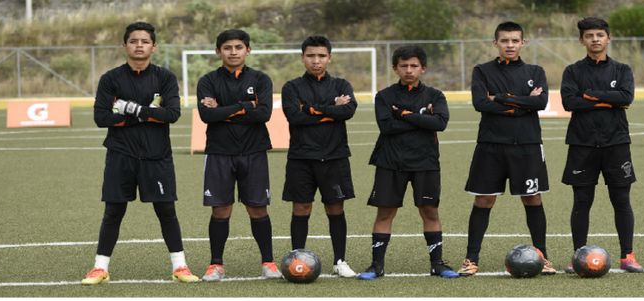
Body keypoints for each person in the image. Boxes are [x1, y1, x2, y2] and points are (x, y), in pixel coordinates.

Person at [84, 21, 199, 285]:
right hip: (120, 154)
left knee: (166, 210)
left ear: (153, 46)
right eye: (134, 41)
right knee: (113, 211)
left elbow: (172, 114)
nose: (139, 45)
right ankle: (99, 268)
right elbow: (101, 118)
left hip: (156, 156)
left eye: (144, 41)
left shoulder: (165, 77)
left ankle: (180, 266)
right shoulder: (111, 78)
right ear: (124, 45)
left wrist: (131, 110)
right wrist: (148, 114)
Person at [457, 21, 556, 276]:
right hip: (491, 145)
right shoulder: (482, 70)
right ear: (495, 43)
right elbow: (480, 104)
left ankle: (543, 257)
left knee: (532, 198)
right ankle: (471, 259)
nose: (510, 45)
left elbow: (542, 103)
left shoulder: (536, 70)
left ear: (523, 43)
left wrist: (499, 98)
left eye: (515, 40)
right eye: (504, 41)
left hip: (527, 145)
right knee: (484, 199)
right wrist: (524, 103)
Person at [357, 45, 459, 280]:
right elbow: (387, 127)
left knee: (430, 211)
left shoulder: (435, 95)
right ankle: (376, 265)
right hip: (391, 161)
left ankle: (437, 264)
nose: (409, 70)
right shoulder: (384, 96)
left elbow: (440, 124)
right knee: (385, 213)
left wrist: (403, 115)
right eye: (404, 66)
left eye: (414, 66)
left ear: (423, 68)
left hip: (425, 162)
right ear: (395, 68)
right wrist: (424, 119)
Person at [196, 29, 282, 281]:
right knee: (220, 210)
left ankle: (268, 262)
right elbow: (207, 116)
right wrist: (246, 107)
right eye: (227, 48)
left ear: (247, 50)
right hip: (219, 152)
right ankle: (215, 265)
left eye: (238, 47)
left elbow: (263, 114)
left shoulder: (261, 79)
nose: (233, 52)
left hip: (253, 151)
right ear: (218, 51)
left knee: (258, 209)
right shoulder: (208, 81)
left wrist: (224, 109)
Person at [560, 17, 643, 273]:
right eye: (589, 35)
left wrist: (589, 94)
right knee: (582, 201)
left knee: (621, 200)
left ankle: (627, 255)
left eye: (599, 35)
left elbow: (626, 97)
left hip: (616, 144)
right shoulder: (572, 71)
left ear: (608, 38)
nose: (595, 39)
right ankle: (578, 256)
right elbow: (569, 102)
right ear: (582, 40)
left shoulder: (622, 70)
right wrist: (610, 100)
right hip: (582, 144)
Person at [280, 36, 358, 278]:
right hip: (301, 158)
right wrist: (331, 108)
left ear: (329, 57)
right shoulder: (291, 87)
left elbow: (348, 110)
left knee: (335, 207)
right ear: (303, 57)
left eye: (321, 56)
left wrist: (311, 109)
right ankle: (297, 257)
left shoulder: (342, 84)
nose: (316, 61)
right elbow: (295, 117)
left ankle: (340, 261)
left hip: (335, 156)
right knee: (301, 207)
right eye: (311, 56)